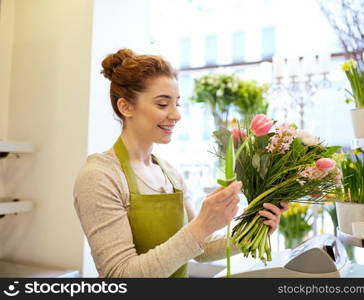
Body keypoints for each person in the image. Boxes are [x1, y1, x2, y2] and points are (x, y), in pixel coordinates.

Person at [73, 48, 288, 278]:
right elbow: (121, 275)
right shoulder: (99, 176)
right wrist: (203, 224)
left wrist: (255, 229)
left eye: (177, 103)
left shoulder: (170, 173)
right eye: (163, 105)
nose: (176, 115)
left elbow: (199, 249)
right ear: (126, 107)